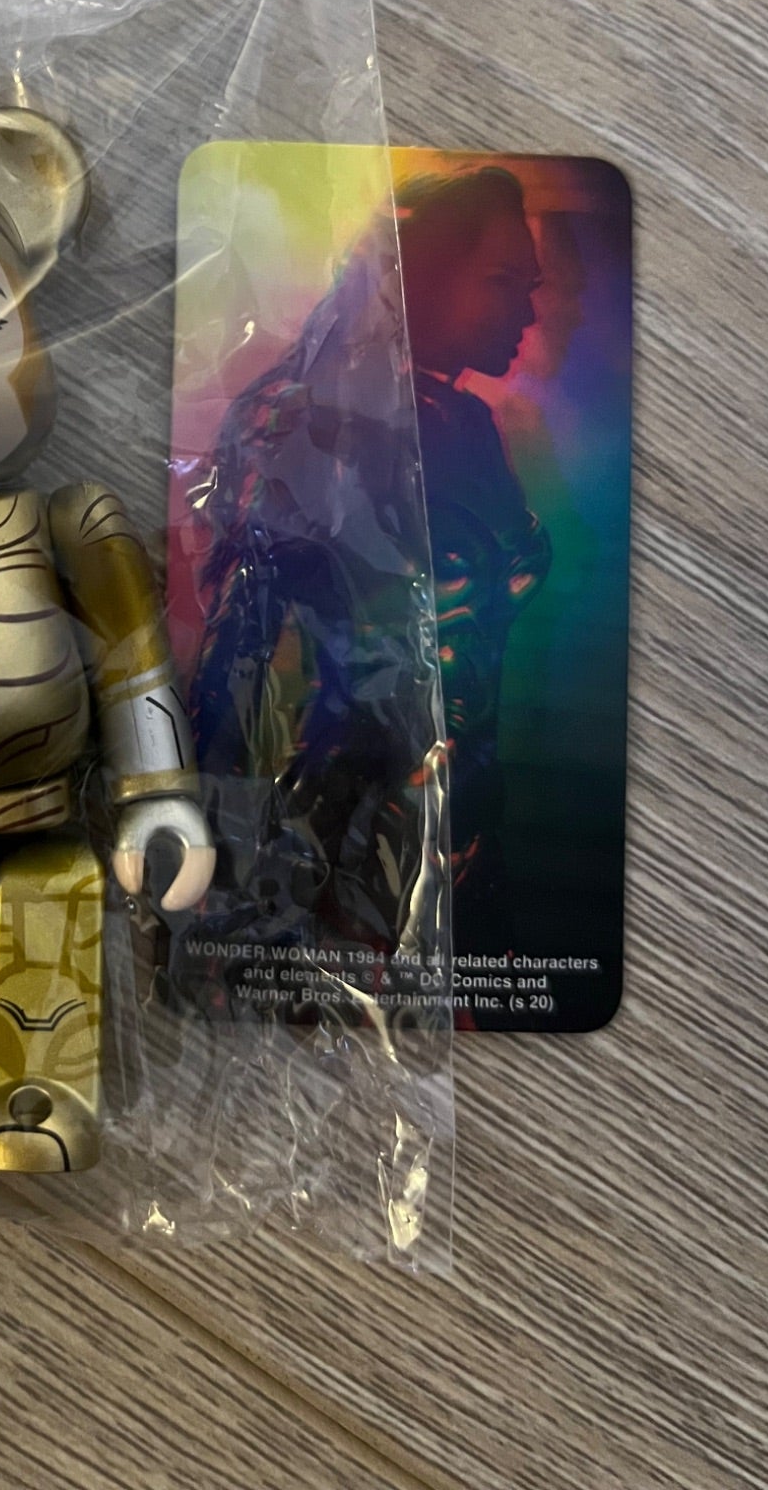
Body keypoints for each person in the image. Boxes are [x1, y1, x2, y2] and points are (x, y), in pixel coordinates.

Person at [191, 165, 548, 959]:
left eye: (530, 286)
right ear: (420, 276)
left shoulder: (462, 423)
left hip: (456, 819)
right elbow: (236, 648)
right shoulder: (309, 422)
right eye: (502, 282)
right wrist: (211, 832)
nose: (528, 310)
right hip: (348, 822)